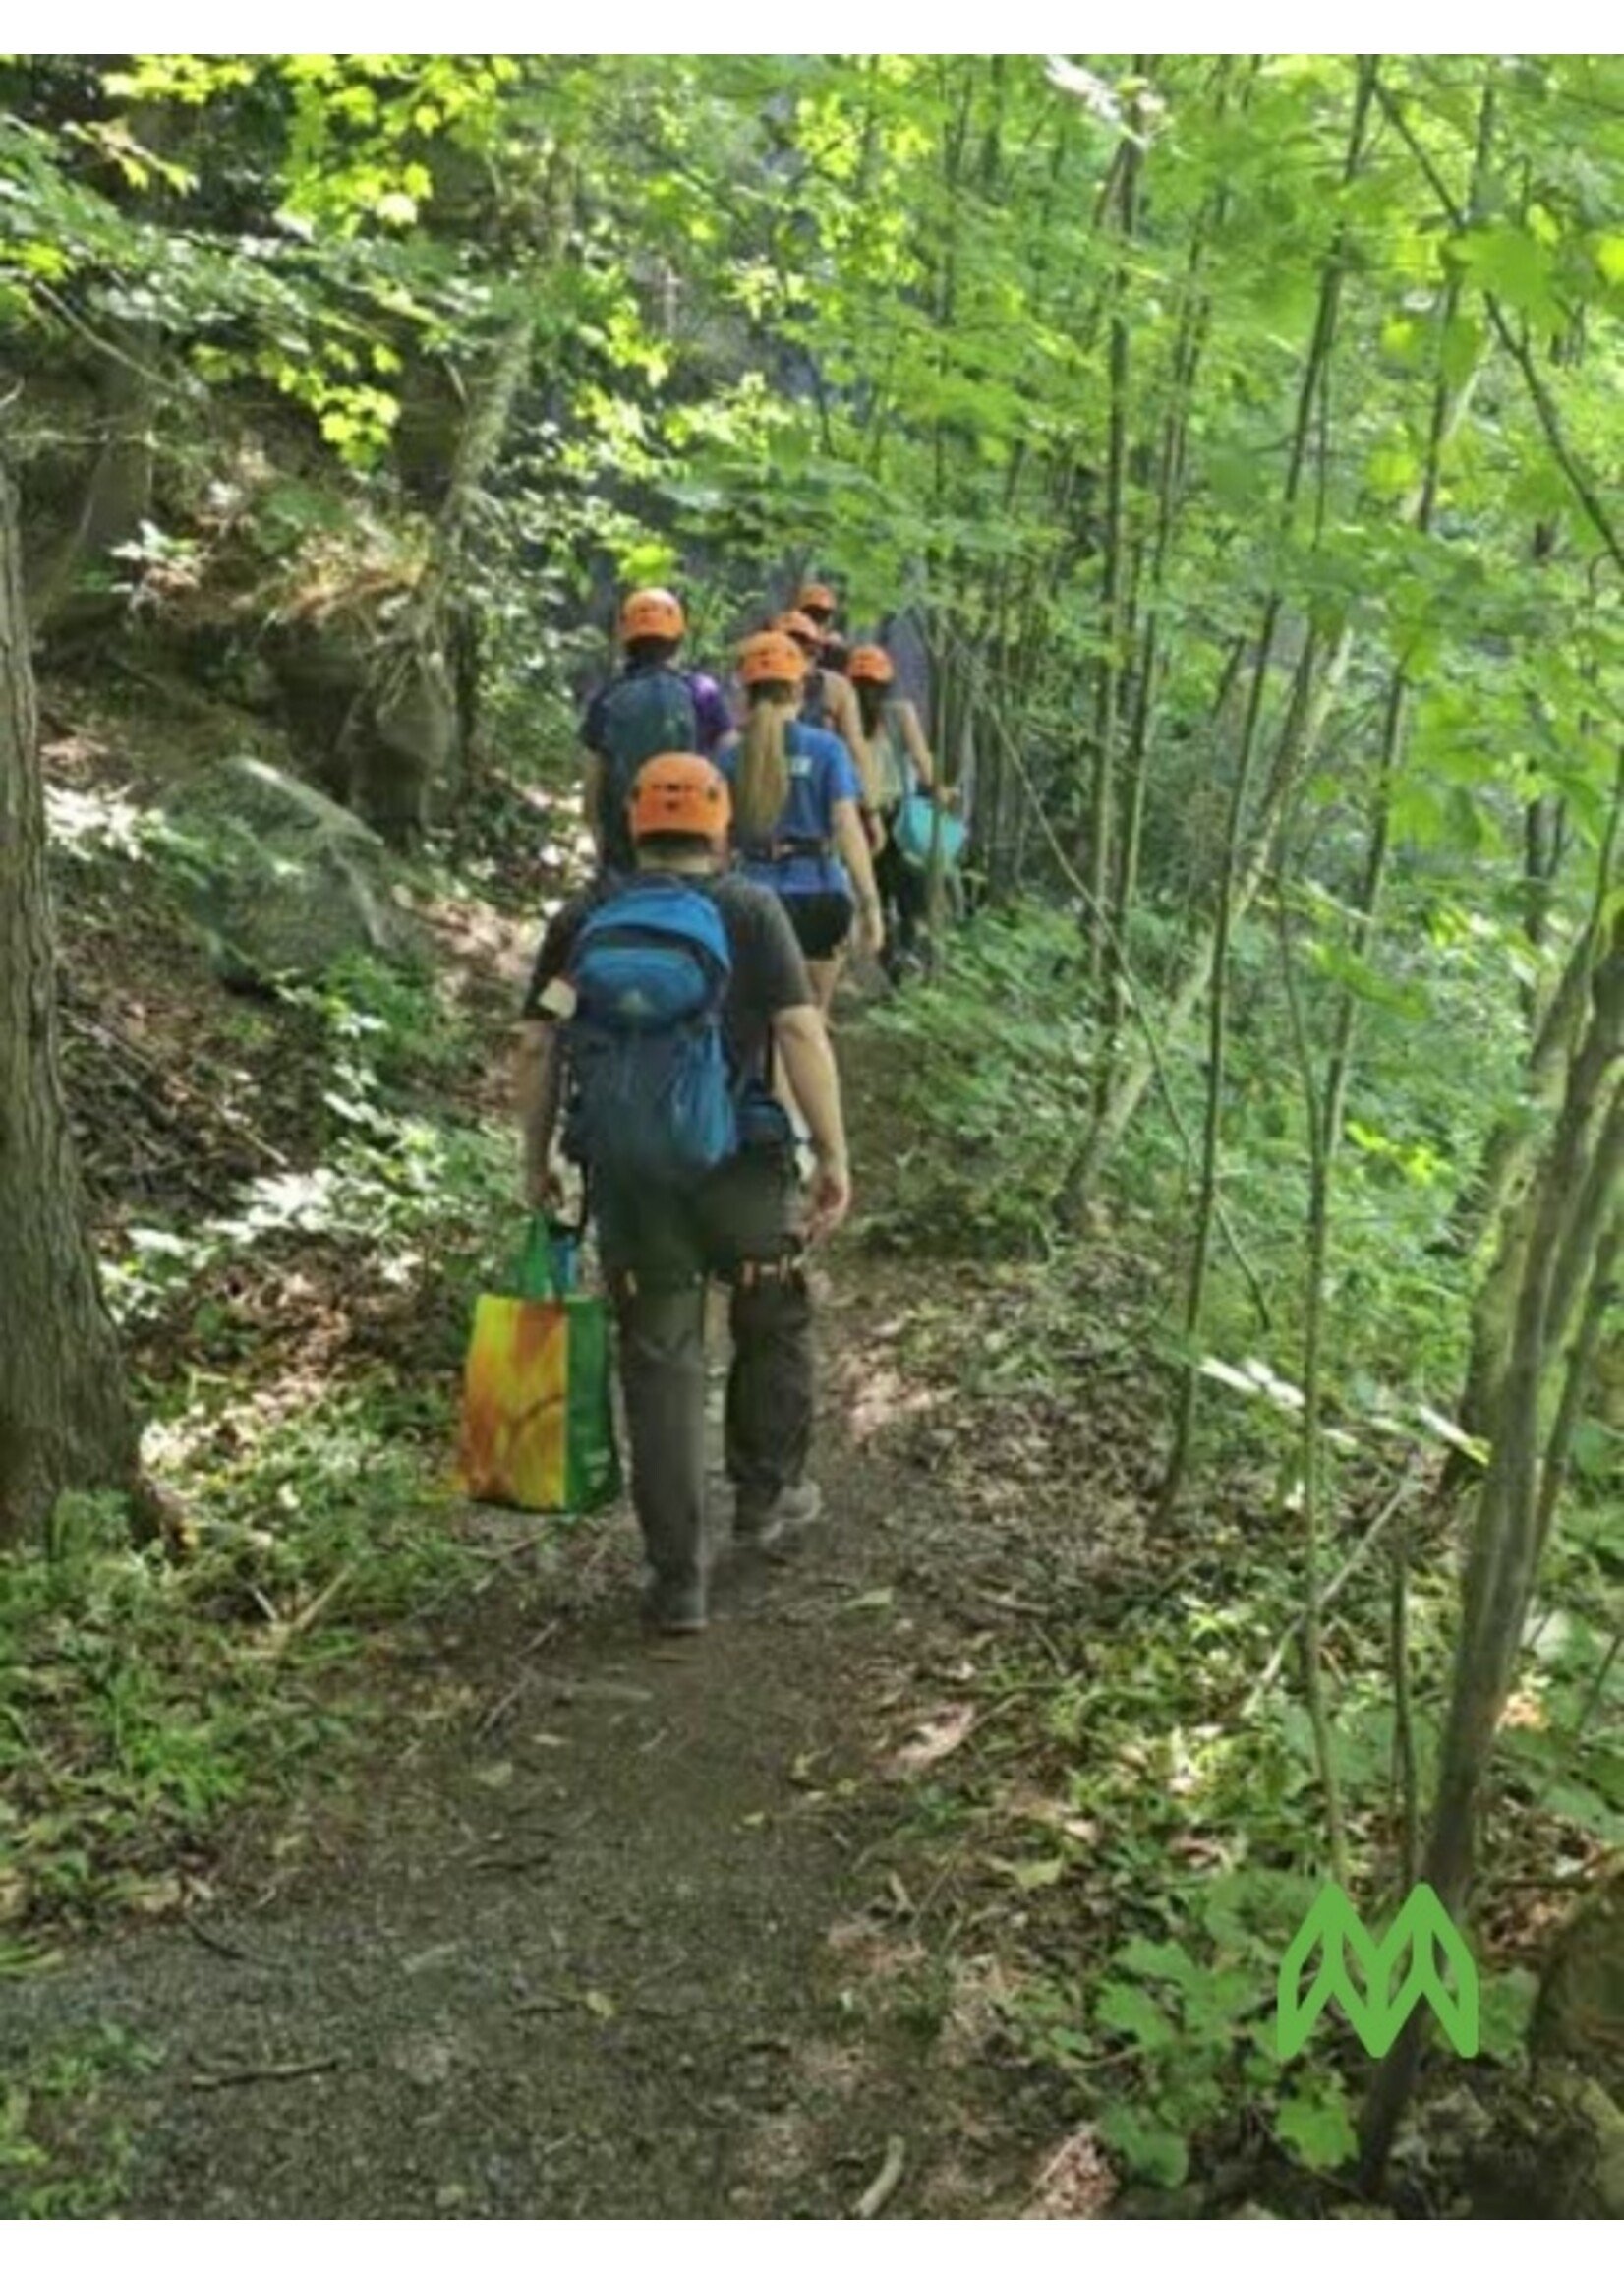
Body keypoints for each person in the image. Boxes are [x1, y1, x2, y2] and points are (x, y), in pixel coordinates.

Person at [514, 754, 854, 1637]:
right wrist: (832, 1154)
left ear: (632, 820)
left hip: (631, 1177)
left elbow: (538, 1043)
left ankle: (677, 1581)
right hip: (741, 1166)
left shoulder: (585, 919)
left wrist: (536, 1157)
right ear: (720, 820)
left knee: (658, 1358)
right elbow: (799, 1030)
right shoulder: (750, 908)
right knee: (772, 1317)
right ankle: (766, 1496)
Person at [717, 630, 884, 1023]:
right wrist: (870, 904)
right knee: (808, 1020)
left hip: (748, 900)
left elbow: (718, 845)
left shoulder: (730, 757)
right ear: (799, 690)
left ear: (746, 691)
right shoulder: (827, 750)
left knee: (748, 1018)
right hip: (819, 900)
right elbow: (847, 827)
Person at [580, 587, 732, 880]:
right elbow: (730, 769)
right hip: (695, 854)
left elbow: (591, 800)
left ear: (626, 638)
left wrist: (603, 855)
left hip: (627, 856)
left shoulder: (607, 699)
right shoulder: (702, 693)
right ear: (678, 639)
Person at [848, 643, 943, 977]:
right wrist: (936, 788)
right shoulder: (900, 713)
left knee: (878, 889)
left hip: (863, 817)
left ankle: (893, 958)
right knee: (908, 887)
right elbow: (922, 759)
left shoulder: (849, 715)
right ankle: (906, 953)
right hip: (893, 813)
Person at [774, 609, 878, 826]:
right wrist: (870, 812)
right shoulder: (755, 688)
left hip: (818, 791)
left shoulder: (835, 689)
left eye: (805, 651)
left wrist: (869, 808)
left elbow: (856, 748)